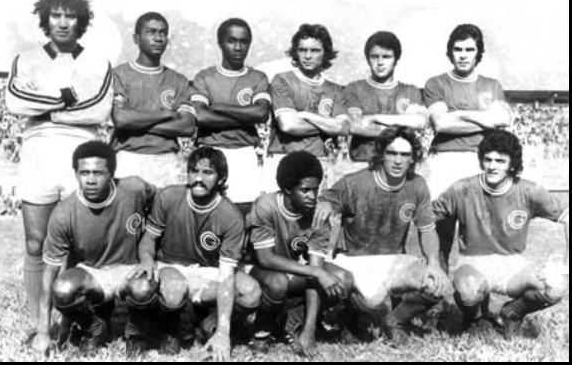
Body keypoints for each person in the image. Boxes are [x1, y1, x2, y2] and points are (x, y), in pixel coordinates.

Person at [5, 0, 113, 339]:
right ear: (45, 18)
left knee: (76, 244)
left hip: (81, 154)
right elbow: (15, 102)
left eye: (70, 15)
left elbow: (98, 108)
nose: (63, 22)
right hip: (37, 154)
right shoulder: (26, 58)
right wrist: (66, 99)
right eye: (56, 14)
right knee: (36, 242)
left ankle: (70, 321)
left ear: (81, 20)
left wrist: (48, 108)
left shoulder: (98, 62)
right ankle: (38, 323)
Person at [125, 146, 261, 361]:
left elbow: (226, 275)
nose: (199, 178)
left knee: (251, 291)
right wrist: (147, 259)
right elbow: (148, 239)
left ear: (221, 178)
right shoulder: (169, 196)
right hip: (170, 266)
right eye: (194, 171)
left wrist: (223, 333)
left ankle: (210, 324)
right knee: (172, 290)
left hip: (208, 272)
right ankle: (164, 329)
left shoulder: (231, 216)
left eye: (208, 172)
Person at [314, 126, 448, 342]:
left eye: (404, 155)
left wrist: (433, 262)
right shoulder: (355, 182)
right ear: (381, 155)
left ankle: (394, 320)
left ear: (413, 158)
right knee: (371, 302)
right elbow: (326, 200)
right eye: (392, 153)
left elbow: (428, 229)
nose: (398, 160)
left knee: (436, 285)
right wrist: (327, 204)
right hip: (356, 261)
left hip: (394, 260)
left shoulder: (417, 185)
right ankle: (348, 317)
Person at [433, 130, 568, 338]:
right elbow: (429, 216)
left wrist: (566, 264)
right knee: (468, 292)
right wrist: (435, 260)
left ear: (512, 164)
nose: (492, 166)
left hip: (512, 263)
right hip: (473, 261)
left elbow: (567, 215)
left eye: (500, 161)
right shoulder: (462, 189)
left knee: (554, 287)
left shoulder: (528, 191)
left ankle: (512, 313)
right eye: (488, 159)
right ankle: (474, 317)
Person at [31, 141, 156, 356]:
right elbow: (49, 274)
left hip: (130, 268)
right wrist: (42, 332)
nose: (90, 180)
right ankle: (94, 327)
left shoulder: (134, 189)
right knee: (62, 289)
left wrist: (149, 252)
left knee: (144, 287)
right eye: (84, 173)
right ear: (76, 174)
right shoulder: (64, 213)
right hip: (93, 273)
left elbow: (160, 210)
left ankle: (136, 332)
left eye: (98, 173)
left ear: (111, 174)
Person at [424, 24, 512, 273]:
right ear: (450, 52)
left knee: (479, 234)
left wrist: (459, 114)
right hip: (445, 161)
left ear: (478, 53)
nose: (463, 54)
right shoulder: (437, 83)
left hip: (479, 161)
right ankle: (435, 297)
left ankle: (475, 306)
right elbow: (442, 123)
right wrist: (484, 117)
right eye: (458, 49)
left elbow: (502, 120)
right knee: (442, 230)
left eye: (469, 49)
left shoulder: (492, 85)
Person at [247, 151, 352, 356]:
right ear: (287, 188)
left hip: (299, 272)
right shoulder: (266, 206)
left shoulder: (319, 214)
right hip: (263, 271)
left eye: (315, 189)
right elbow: (265, 258)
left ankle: (297, 321)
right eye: (305, 190)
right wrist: (317, 272)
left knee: (343, 279)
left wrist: (309, 329)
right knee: (278, 283)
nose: (312, 197)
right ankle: (262, 329)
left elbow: (317, 267)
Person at [191, 18, 271, 215]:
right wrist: (245, 116)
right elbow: (201, 116)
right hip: (210, 152)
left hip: (243, 154)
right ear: (220, 43)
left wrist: (217, 107)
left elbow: (261, 113)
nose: (238, 47)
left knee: (243, 213)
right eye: (231, 41)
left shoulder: (257, 77)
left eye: (243, 42)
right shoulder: (205, 76)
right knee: (206, 213)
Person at [110, 12, 197, 187]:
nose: (158, 38)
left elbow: (187, 127)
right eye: (151, 32)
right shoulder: (120, 73)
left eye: (163, 33)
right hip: (128, 157)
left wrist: (137, 123)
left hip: (166, 160)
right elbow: (121, 120)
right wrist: (165, 114)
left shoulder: (178, 80)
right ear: (136, 38)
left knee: (165, 213)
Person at [265, 24, 349, 193]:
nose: (308, 56)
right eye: (303, 50)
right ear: (295, 52)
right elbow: (288, 125)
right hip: (285, 159)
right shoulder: (283, 81)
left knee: (318, 216)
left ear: (326, 53)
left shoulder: (335, 90)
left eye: (315, 50)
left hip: (320, 161)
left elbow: (344, 127)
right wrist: (328, 125)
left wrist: (306, 115)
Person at [341, 31, 427, 172]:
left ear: (396, 59)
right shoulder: (355, 88)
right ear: (368, 59)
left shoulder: (411, 91)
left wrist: (374, 118)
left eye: (386, 57)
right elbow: (355, 125)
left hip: (398, 165)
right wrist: (401, 127)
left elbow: (419, 122)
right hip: (363, 164)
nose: (380, 63)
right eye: (375, 57)